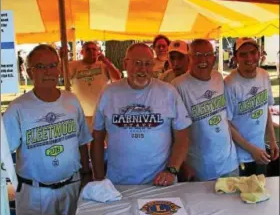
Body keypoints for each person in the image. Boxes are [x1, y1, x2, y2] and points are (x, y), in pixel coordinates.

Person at [3, 44, 93, 215]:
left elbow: (82, 141)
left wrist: (86, 174)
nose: (48, 72)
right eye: (40, 67)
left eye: (53, 65)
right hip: (35, 194)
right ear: (29, 73)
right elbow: (4, 151)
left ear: (59, 69)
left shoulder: (71, 101)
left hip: (71, 187)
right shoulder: (17, 108)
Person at [90, 43, 192, 186]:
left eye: (148, 64)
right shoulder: (109, 93)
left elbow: (183, 136)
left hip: (160, 184)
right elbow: (97, 139)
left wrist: (172, 170)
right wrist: (99, 179)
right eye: (137, 63)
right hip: (118, 184)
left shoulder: (168, 92)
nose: (143, 69)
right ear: (125, 64)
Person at [172, 39, 238, 182]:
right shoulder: (178, 86)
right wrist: (182, 164)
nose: (203, 59)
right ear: (190, 58)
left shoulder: (218, 77)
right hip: (199, 168)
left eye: (207, 54)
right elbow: (174, 131)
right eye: (197, 55)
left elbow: (224, 119)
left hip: (229, 163)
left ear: (213, 58)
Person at [224, 38, 279, 177]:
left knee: (261, 192)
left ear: (259, 54)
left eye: (253, 52)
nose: (249, 58)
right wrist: (251, 149)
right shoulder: (230, 84)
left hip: (261, 151)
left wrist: (272, 140)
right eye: (243, 54)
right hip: (239, 155)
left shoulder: (264, 75)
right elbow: (227, 124)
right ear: (235, 58)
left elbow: (264, 108)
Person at [69, 41, 121, 127]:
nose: (91, 51)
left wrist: (106, 61)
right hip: (82, 114)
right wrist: (61, 57)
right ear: (82, 52)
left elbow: (117, 78)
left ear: (98, 51)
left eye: (94, 49)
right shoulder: (74, 65)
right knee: (86, 140)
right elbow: (61, 72)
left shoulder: (104, 65)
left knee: (102, 139)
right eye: (88, 49)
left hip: (103, 111)